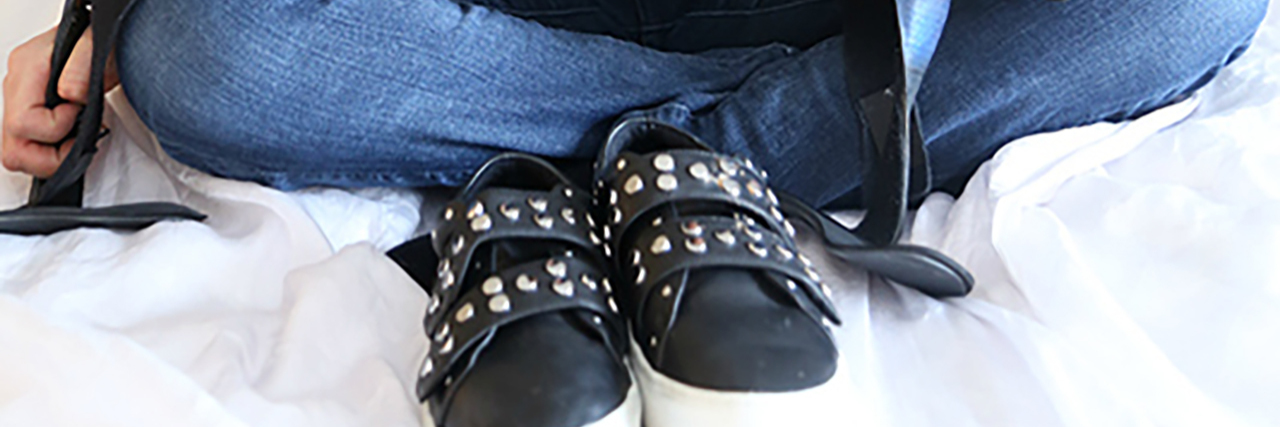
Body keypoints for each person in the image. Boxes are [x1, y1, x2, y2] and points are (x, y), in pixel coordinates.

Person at [2, 0, 1268, 208]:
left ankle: (693, 153)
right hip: (504, 26)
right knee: (213, 52)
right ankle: (716, 154)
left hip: (864, 28)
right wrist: (95, 23)